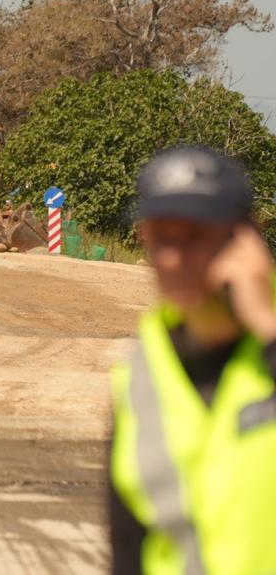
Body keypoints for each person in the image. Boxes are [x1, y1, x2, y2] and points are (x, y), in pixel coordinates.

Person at [109, 145, 276, 575]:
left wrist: (267, 325)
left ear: (246, 239)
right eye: (162, 238)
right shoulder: (139, 379)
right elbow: (129, 547)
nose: (174, 259)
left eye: (196, 236)